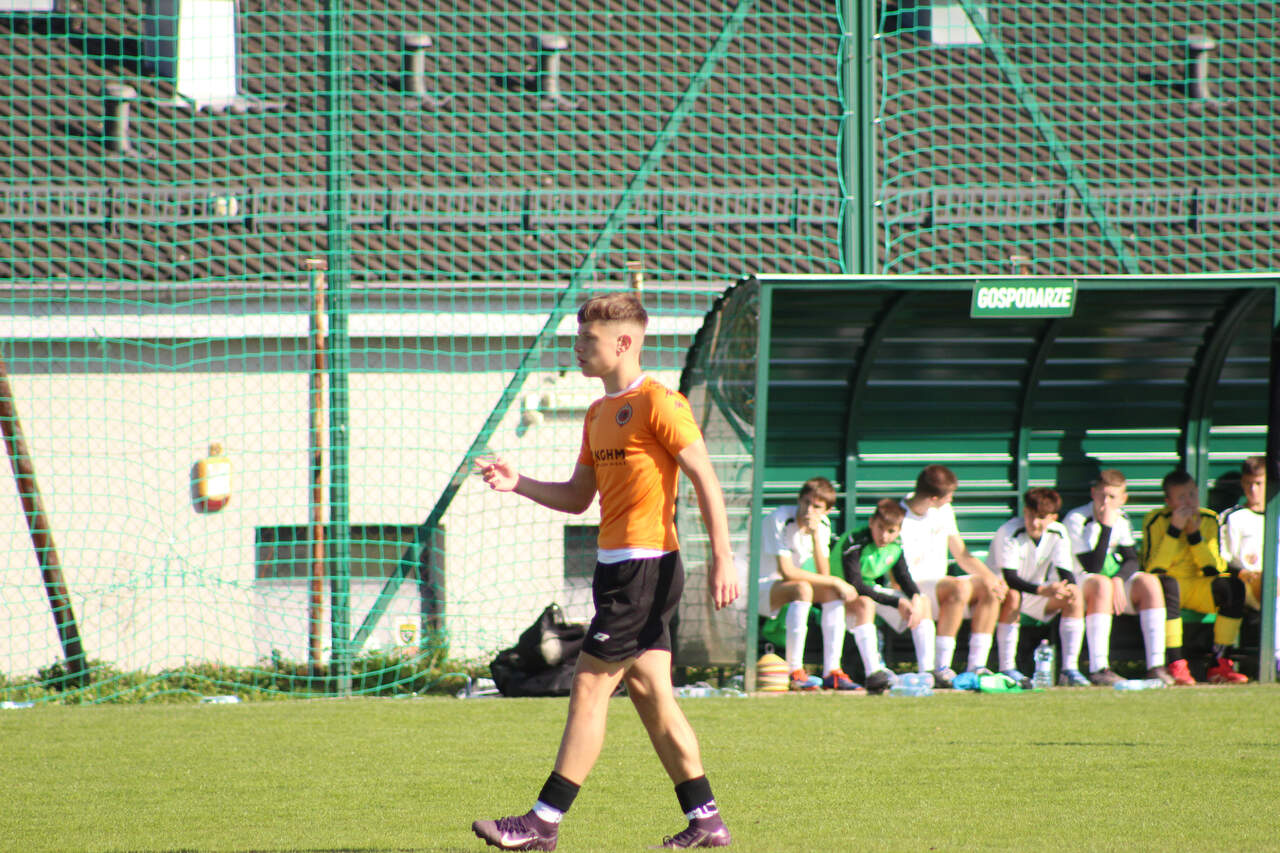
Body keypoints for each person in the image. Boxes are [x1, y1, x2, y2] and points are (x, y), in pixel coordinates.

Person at [472, 292, 738, 850]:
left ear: (623, 343)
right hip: (615, 571)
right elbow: (577, 498)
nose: (577, 347)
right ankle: (706, 820)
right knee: (652, 696)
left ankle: (542, 822)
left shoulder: (660, 402)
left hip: (645, 569)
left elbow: (705, 478)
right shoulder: (597, 413)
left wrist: (723, 557)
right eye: (577, 337)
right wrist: (517, 483)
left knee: (589, 686)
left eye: (587, 339)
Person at [1063, 470, 1185, 686]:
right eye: (1102, 495)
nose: (1106, 503)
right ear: (1093, 493)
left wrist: (1119, 579)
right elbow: (1093, 567)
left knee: (1149, 582)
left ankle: (1156, 666)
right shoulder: (1076, 519)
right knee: (1101, 584)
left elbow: (1131, 559)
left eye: (1112, 497)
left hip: (1110, 586)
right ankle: (1099, 668)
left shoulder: (1122, 518)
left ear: (1123, 499)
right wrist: (1106, 527)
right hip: (1081, 584)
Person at [898, 464, 1008, 687]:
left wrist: (991, 578)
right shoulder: (898, 517)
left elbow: (962, 555)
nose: (951, 500)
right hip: (911, 588)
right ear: (933, 498)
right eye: (949, 495)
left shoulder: (944, 510)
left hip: (943, 586)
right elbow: (897, 575)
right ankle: (941, 667)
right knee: (959, 586)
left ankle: (976, 667)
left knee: (989, 587)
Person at [753, 477, 860, 691]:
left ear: (827, 511)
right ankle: (795, 671)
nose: (809, 510)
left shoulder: (823, 524)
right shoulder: (779, 519)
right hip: (758, 587)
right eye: (806, 502)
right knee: (803, 588)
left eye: (817, 506)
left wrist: (815, 537)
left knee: (832, 593)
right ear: (799, 500)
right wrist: (837, 581)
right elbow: (787, 572)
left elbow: (823, 574)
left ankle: (832, 672)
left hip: (789, 588)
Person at [1141, 469, 1248, 684]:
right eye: (1181, 497)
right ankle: (1176, 664)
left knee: (1233, 586)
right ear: (1169, 502)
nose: (1189, 502)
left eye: (1192, 494)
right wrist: (1174, 530)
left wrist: (1194, 536)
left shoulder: (1209, 518)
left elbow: (1214, 569)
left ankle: (1220, 663)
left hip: (1198, 587)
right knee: (1167, 583)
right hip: (1170, 588)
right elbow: (1155, 568)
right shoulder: (1156, 520)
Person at [989, 488, 1088, 686]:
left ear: (1053, 517)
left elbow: (1066, 572)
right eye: (1030, 515)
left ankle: (1069, 670)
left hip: (1037, 595)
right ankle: (1007, 668)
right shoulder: (1009, 531)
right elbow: (1010, 579)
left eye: (1041, 517)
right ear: (1024, 511)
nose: (1034, 522)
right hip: (1002, 596)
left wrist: (1065, 588)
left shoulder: (1059, 531)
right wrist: (1043, 590)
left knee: (1074, 595)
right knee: (1014, 596)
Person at [835, 498, 933, 682]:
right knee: (865, 604)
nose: (884, 536)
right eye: (880, 528)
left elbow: (903, 576)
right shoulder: (855, 541)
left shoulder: (896, 545)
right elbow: (855, 585)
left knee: (923, 602)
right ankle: (874, 674)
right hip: (838, 596)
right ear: (871, 522)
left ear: (899, 530)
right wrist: (898, 602)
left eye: (891, 531)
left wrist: (915, 597)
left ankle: (927, 673)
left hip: (868, 592)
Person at [1220, 456, 1279, 677]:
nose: (1253, 490)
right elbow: (1224, 559)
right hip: (1248, 583)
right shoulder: (1233, 517)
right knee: (1273, 587)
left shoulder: (1276, 514)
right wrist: (1244, 572)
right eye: (1248, 483)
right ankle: (1276, 659)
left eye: (1259, 483)